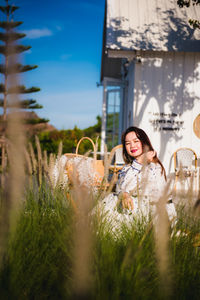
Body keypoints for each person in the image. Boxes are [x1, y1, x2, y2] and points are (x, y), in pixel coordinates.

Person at [97, 126, 176, 231]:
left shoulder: (153, 166)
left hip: (151, 214)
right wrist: (124, 194)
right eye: (128, 143)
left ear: (144, 142)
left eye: (136, 141)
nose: (132, 146)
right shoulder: (128, 167)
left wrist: (139, 162)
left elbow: (153, 196)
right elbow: (120, 188)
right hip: (130, 209)